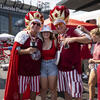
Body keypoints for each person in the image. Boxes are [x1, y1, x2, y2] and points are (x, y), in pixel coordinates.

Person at [49, 5, 91, 100]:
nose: (58, 26)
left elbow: (89, 39)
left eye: (60, 24)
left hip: (73, 70)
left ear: (65, 23)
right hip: (61, 70)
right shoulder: (58, 36)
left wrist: (73, 39)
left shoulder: (73, 30)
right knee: (66, 93)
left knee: (76, 95)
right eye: (56, 25)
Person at [4, 11, 44, 100]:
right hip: (23, 71)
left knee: (34, 90)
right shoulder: (22, 35)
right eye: (34, 23)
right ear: (29, 24)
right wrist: (26, 51)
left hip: (36, 71)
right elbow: (15, 51)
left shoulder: (40, 37)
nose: (36, 26)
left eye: (38, 24)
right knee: (21, 91)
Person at [40, 24, 58, 100]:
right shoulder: (40, 42)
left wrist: (54, 32)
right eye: (44, 32)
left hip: (53, 65)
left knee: (52, 88)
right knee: (43, 88)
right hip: (42, 66)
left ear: (50, 33)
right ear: (41, 33)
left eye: (47, 32)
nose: (46, 33)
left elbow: (60, 33)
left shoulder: (54, 41)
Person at [88, 28, 100, 100]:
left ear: (95, 35)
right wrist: (92, 62)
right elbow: (94, 56)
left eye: (92, 36)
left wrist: (94, 61)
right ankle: (90, 98)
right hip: (94, 66)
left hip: (98, 66)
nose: (91, 38)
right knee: (90, 83)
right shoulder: (96, 44)